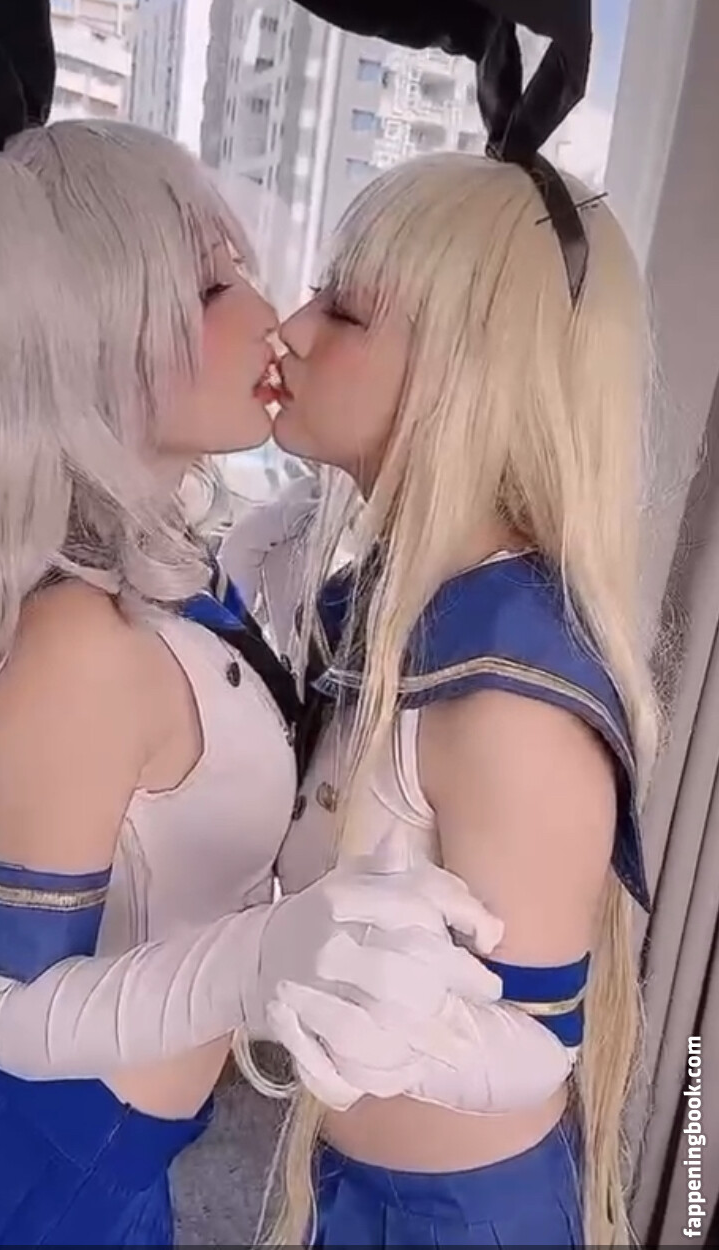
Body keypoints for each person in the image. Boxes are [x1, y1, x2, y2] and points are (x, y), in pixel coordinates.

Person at [0, 0, 509, 1249]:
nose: (268, 315)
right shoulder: (71, 645)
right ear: (95, 346)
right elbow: (23, 1019)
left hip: (118, 1158)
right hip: (9, 1182)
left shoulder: (184, 560)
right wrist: (260, 958)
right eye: (209, 290)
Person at [225, 140, 658, 1247]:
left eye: (346, 311)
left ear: (467, 373)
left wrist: (286, 987)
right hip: (356, 1181)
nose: (292, 329)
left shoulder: (511, 701)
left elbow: (536, 1042)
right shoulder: (382, 601)